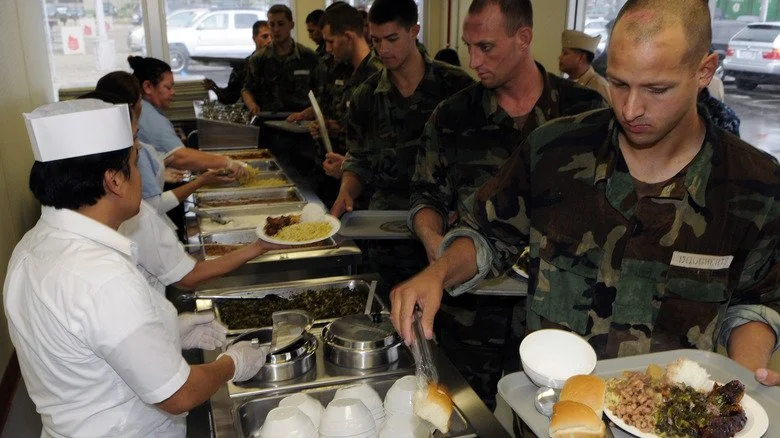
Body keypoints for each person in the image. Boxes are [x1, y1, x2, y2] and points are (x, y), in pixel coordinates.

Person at [393, 0, 780, 391]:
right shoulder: (552, 150)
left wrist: (745, 382)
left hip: (670, 418)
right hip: (550, 409)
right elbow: (488, 235)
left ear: (704, 71)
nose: (631, 109)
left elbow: (757, 303)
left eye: (656, 89)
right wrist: (438, 273)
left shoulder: (755, 186)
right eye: (619, 83)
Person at [5, 99, 269, 437]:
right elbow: (178, 394)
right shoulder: (101, 276)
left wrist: (168, 330)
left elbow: (86, 346)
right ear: (114, 181)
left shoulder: (30, 247)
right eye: (133, 161)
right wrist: (231, 363)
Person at [408, 0, 606, 406]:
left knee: (548, 418)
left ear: (523, 39)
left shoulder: (584, 115)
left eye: (486, 47)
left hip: (558, 317)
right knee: (463, 412)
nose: (474, 60)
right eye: (469, 47)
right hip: (471, 309)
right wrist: (434, 244)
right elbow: (424, 194)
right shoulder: (453, 116)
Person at [81, 87, 286, 296]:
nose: (139, 147)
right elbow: (188, 277)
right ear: (113, 178)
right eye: (134, 138)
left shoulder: (83, 218)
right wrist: (259, 246)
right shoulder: (134, 214)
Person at [332, 0, 474, 290]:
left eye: (392, 39)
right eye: (376, 40)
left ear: (414, 31)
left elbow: (482, 162)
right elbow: (357, 159)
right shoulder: (366, 96)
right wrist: (347, 190)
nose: (383, 50)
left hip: (447, 235)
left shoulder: (457, 88)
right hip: (386, 236)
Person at [96, 71, 234, 215]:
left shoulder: (118, 137)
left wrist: (161, 166)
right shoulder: (133, 146)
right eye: (139, 100)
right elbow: (154, 205)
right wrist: (202, 180)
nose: (137, 145)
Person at [129, 56, 248, 178]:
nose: (173, 92)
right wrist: (225, 162)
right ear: (148, 87)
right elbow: (181, 157)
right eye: (168, 87)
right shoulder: (149, 116)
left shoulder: (146, 110)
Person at [313, 4, 383, 179]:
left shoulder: (377, 75)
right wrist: (327, 127)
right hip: (339, 170)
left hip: (366, 183)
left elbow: (380, 142)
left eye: (331, 42)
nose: (328, 49)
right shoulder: (343, 70)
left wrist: (350, 167)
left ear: (348, 37)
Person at [242, 4, 319, 114]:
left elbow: (321, 92)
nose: (276, 29)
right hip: (269, 122)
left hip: (300, 122)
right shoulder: (259, 59)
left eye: (281, 24)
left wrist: (312, 112)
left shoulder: (308, 56)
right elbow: (247, 89)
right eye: (272, 25)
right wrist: (252, 105)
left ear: (291, 25)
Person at [203, 20, 272, 104]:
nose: (269, 40)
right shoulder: (243, 66)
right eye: (265, 37)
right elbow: (230, 97)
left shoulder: (281, 63)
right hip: (253, 114)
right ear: (254, 38)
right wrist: (214, 87)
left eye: (272, 37)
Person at [559, 29, 611, 104]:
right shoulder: (565, 83)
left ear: (581, 58)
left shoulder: (599, 86)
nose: (560, 57)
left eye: (565, 53)